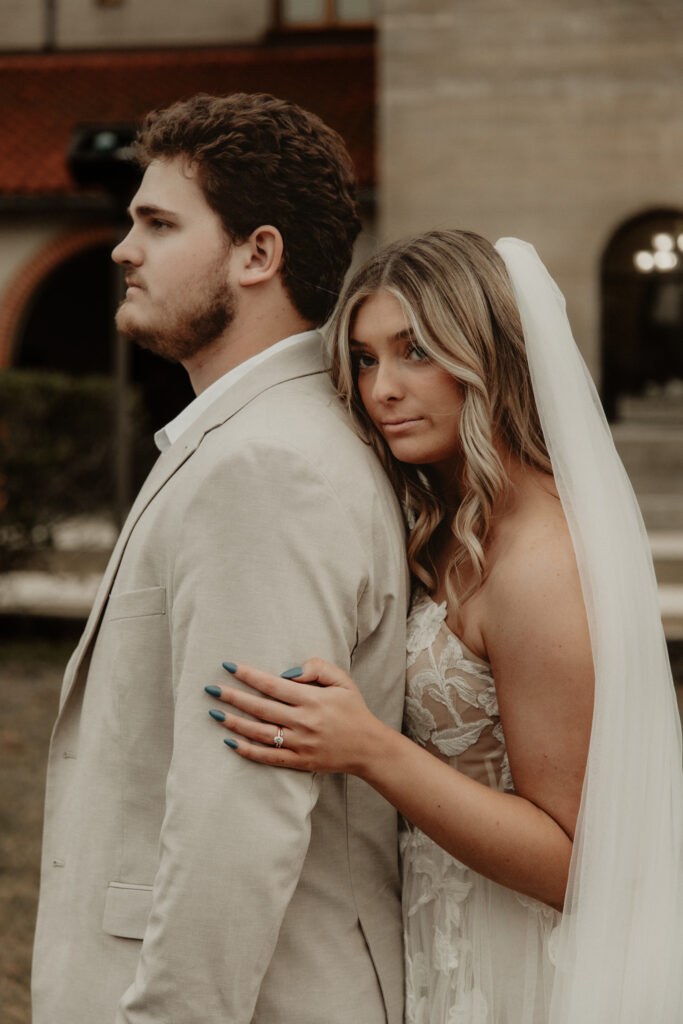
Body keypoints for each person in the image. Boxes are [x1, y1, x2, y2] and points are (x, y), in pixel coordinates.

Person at [205, 229, 683, 1023]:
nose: (381, 387)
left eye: (415, 352)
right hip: (436, 940)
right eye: (363, 358)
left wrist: (370, 750)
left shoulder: (537, 563)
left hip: (523, 969)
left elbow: (577, 864)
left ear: (488, 358)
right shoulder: (448, 519)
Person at [31, 93, 408, 1024]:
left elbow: (240, 811)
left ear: (257, 254)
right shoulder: (250, 438)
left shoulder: (268, 467)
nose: (123, 249)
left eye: (158, 223)